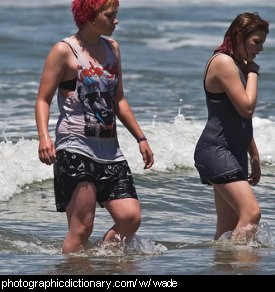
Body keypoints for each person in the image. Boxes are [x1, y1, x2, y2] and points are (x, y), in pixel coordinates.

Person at [35, 0, 154, 254]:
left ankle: (97, 262)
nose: (116, 21)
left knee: (130, 218)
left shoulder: (113, 48)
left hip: (110, 151)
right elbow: (43, 99)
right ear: (90, 17)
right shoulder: (64, 50)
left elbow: (119, 99)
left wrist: (140, 138)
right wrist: (44, 137)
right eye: (110, 15)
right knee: (81, 228)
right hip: (75, 147)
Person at [194, 13, 269, 244]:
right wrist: (253, 72)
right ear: (239, 37)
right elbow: (247, 108)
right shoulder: (223, 62)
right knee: (252, 213)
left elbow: (239, 119)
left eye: (263, 43)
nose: (260, 49)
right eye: (256, 42)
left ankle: (224, 267)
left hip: (233, 151)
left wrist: (254, 155)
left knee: (226, 231)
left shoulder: (236, 64)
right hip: (217, 150)